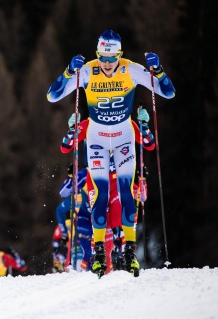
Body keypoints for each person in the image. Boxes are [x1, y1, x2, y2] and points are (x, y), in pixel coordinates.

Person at [47, 29, 175, 278]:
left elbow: (168, 92)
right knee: (100, 195)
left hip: (124, 136)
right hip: (96, 138)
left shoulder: (130, 69)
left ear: (120, 54)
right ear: (97, 55)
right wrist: (67, 72)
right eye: (102, 58)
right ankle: (98, 255)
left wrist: (158, 70)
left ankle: (129, 253)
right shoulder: (88, 71)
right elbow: (52, 96)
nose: (106, 64)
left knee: (128, 193)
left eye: (111, 58)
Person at [62, 107, 155, 272]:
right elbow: (66, 146)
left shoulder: (125, 122)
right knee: (100, 218)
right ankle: (98, 258)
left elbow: (149, 143)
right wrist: (72, 129)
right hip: (96, 177)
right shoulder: (90, 123)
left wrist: (144, 126)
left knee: (119, 217)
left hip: (117, 178)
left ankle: (124, 254)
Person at [53, 164, 93, 273]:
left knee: (84, 263)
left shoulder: (79, 195)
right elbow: (59, 211)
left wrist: (64, 233)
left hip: (87, 230)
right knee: (77, 263)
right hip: (77, 232)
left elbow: (59, 211)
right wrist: (64, 233)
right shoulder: (74, 197)